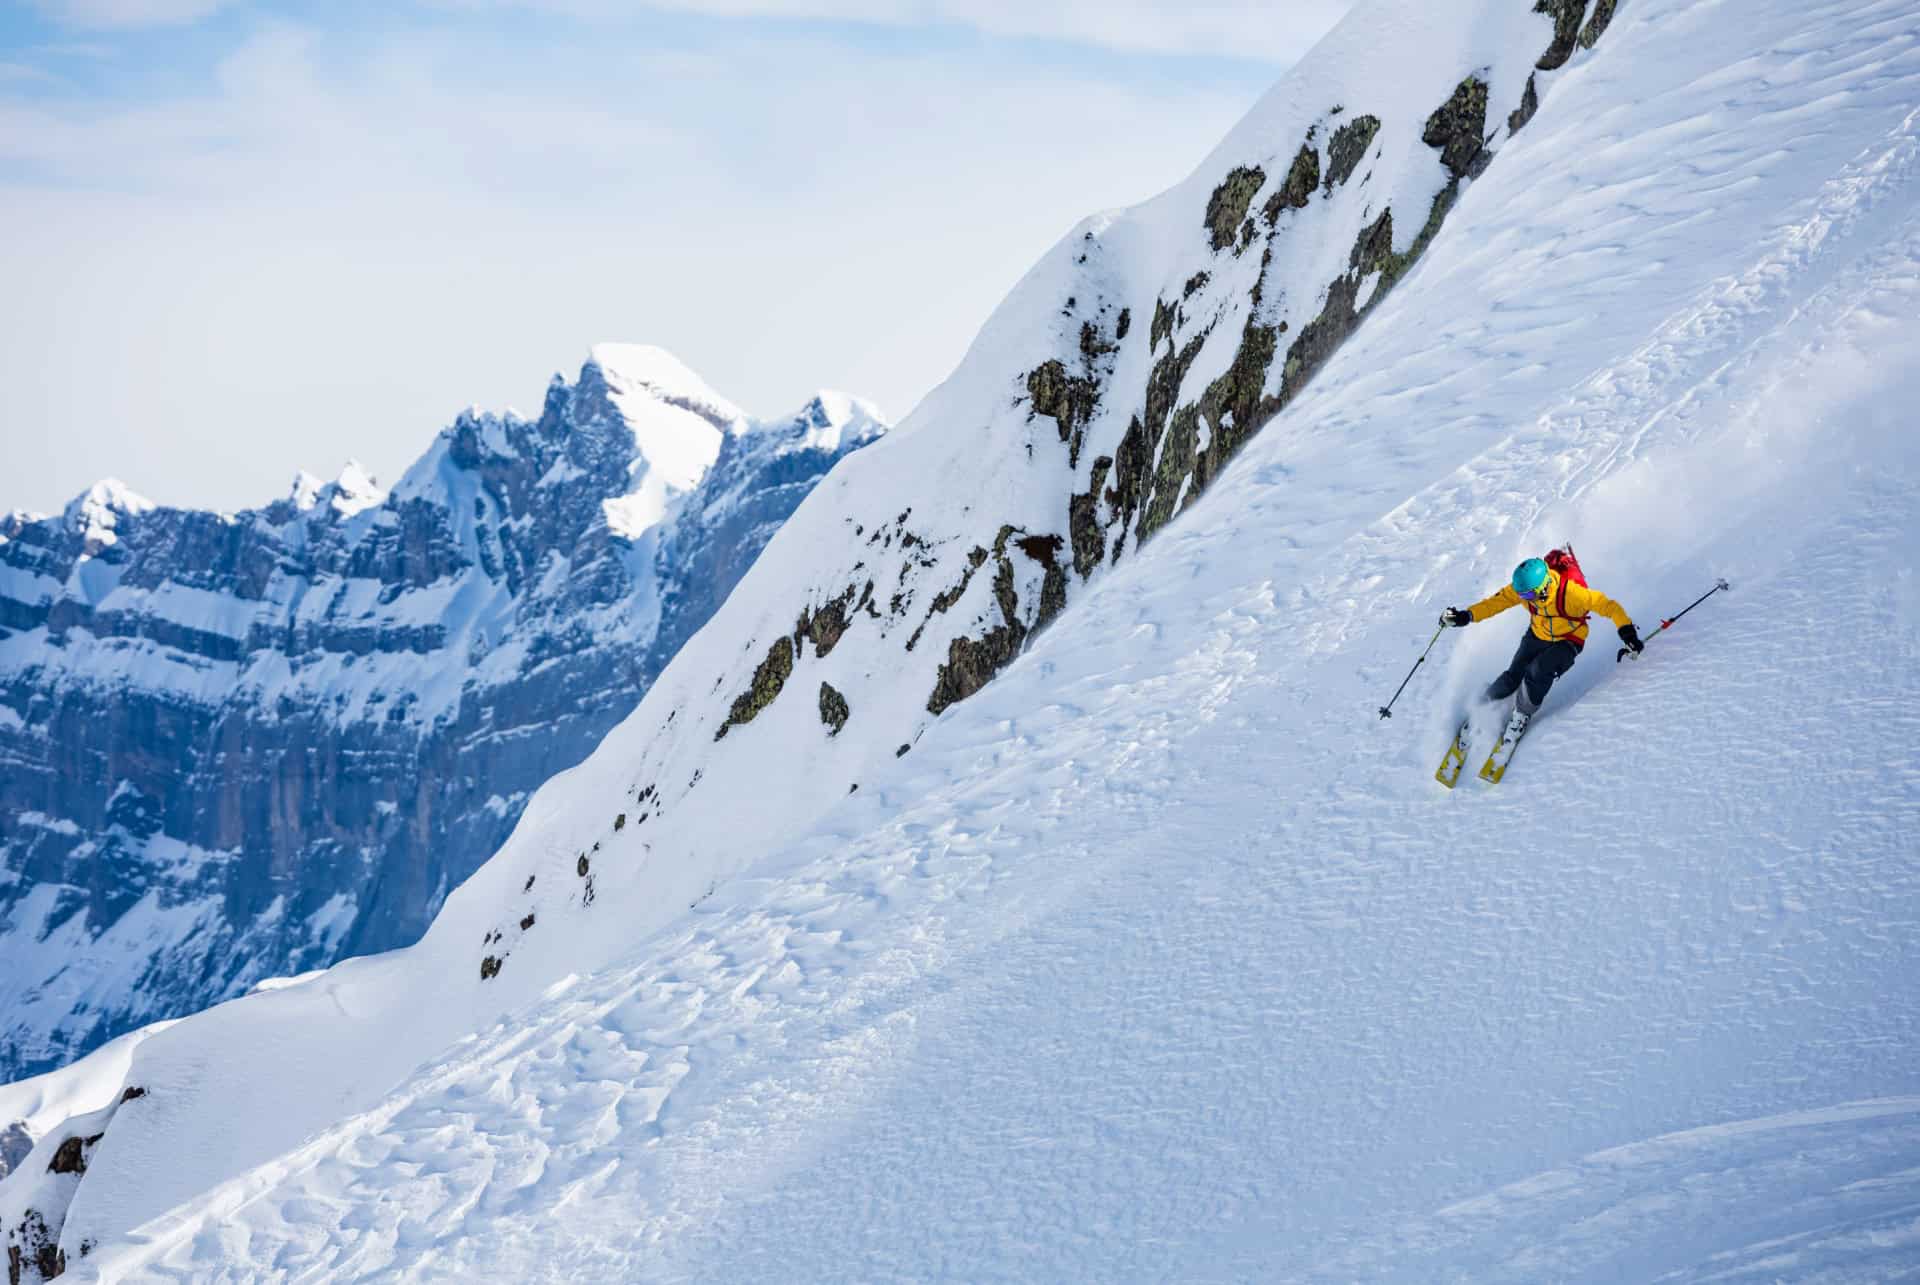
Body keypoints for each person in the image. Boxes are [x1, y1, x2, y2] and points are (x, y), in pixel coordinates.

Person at [1440, 556, 1642, 718]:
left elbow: (1607, 605)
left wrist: (1627, 631)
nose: (1523, 599)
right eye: (1520, 595)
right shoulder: (1522, 591)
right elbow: (1495, 603)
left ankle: (1522, 714)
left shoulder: (1572, 594)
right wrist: (1465, 616)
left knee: (1538, 671)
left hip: (1569, 639)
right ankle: (1485, 701)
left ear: (1543, 589)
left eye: (1527, 596)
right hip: (1537, 634)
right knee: (1513, 676)